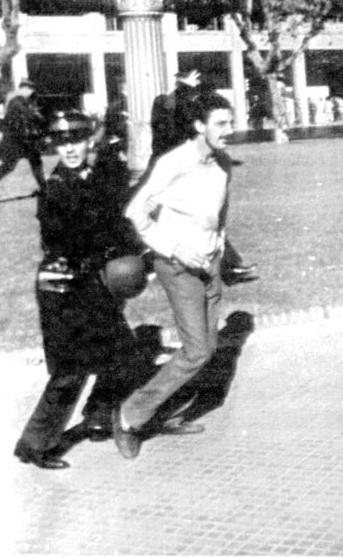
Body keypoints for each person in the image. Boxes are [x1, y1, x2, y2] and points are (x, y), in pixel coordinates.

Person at [13, 110, 153, 470]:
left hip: (91, 281)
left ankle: (97, 416)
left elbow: (117, 218)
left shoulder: (96, 175)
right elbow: (71, 240)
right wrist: (116, 253)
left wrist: (135, 254)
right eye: (62, 142)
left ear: (89, 140)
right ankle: (34, 445)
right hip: (63, 286)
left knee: (120, 352)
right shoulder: (57, 188)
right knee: (70, 370)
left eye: (76, 140)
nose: (69, 148)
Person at [112, 92, 237, 458]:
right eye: (221, 123)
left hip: (210, 265)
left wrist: (219, 250)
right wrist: (175, 248)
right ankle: (129, 416)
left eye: (230, 122)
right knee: (198, 351)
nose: (230, 130)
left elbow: (220, 213)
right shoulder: (174, 162)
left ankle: (164, 411)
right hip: (178, 266)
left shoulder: (223, 163)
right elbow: (136, 212)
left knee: (206, 348)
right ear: (199, 126)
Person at [151, 69, 256, 285]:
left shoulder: (186, 100)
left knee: (205, 217)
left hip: (188, 166)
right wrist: (186, 89)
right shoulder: (165, 101)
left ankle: (228, 265)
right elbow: (177, 120)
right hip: (172, 168)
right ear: (181, 79)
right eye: (194, 79)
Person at [0, 79, 45, 204]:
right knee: (9, 166)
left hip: (20, 139)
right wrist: (38, 116)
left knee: (34, 161)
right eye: (30, 90)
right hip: (15, 139)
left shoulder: (17, 99)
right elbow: (30, 115)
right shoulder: (17, 100)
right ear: (24, 88)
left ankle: (45, 189)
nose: (31, 92)